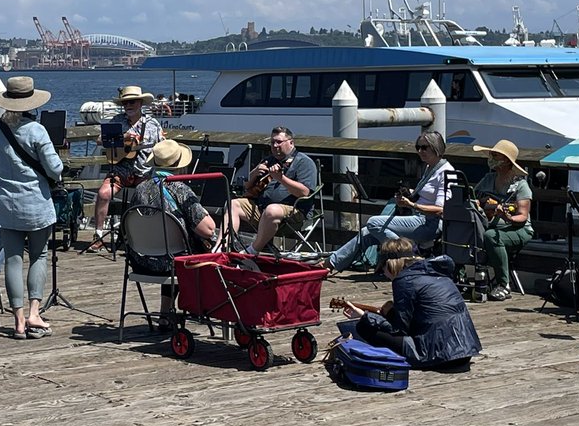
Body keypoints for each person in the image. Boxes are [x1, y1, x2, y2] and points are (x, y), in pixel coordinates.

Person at [0, 76, 63, 339]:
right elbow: (55, 168)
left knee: (13, 260)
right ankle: (34, 313)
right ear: (32, 102)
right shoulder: (37, 130)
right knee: (38, 256)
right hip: (36, 203)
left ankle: (17, 320)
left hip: (6, 203)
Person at [338, 237, 482, 371]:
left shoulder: (404, 281)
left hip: (439, 356)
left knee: (364, 327)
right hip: (465, 351)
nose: (383, 272)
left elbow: (399, 330)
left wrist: (365, 316)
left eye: (382, 267)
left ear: (390, 264)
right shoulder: (436, 271)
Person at [324, 130, 452, 271]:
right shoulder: (429, 168)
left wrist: (412, 204)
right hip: (418, 218)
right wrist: (407, 194)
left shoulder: (445, 172)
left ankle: (409, 253)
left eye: (424, 147)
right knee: (367, 232)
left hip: (429, 223)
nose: (420, 151)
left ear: (436, 147)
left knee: (373, 222)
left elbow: (441, 209)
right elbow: (425, 195)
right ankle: (329, 264)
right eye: (418, 147)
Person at [129, 139, 217, 328]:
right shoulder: (180, 188)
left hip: (141, 261)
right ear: (180, 166)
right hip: (175, 264)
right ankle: (206, 308)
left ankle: (165, 313)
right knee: (203, 248)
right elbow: (208, 229)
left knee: (167, 245)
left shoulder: (139, 189)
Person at [87, 84, 164, 252]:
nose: (128, 106)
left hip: (144, 171)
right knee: (103, 193)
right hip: (121, 170)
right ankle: (99, 235)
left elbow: (162, 145)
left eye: (132, 102)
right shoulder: (117, 121)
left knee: (146, 199)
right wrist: (124, 138)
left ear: (140, 103)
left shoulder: (153, 124)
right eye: (125, 103)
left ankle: (142, 238)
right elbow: (100, 140)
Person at [228, 126, 319, 255]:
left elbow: (304, 193)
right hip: (261, 209)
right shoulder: (269, 160)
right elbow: (247, 187)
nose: (275, 145)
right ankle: (223, 247)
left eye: (279, 142)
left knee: (272, 210)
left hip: (294, 212)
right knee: (233, 204)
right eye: (272, 142)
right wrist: (254, 173)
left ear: (291, 142)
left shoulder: (304, 162)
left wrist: (281, 178)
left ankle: (252, 251)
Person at [471, 139, 533, 302]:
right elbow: (473, 197)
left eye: (495, 155)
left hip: (519, 229)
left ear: (506, 160)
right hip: (492, 224)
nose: (491, 158)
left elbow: (522, 217)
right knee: (467, 229)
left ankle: (503, 284)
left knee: (491, 236)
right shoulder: (488, 178)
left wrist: (507, 216)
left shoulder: (520, 185)